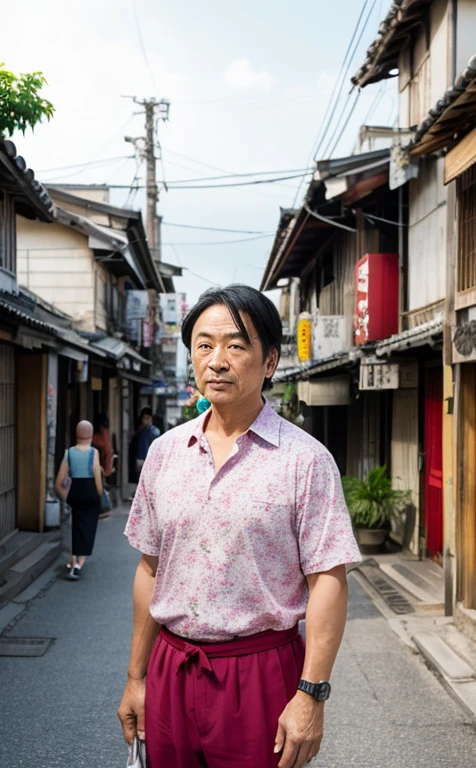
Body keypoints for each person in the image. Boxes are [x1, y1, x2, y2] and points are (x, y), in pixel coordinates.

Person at [118, 285, 361, 768]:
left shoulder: (305, 460)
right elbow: (150, 568)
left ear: (269, 361)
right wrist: (136, 677)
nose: (217, 361)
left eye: (235, 345)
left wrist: (311, 693)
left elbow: (328, 580)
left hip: (261, 674)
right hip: (171, 669)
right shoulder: (165, 453)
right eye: (204, 346)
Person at [55, 420, 103, 580]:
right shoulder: (93, 453)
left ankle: (74, 561)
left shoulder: (68, 453)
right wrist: (99, 493)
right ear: (91, 435)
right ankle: (79, 563)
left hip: (75, 491)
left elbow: (59, 482)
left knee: (76, 526)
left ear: (76, 434)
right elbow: (97, 476)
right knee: (88, 527)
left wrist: (67, 497)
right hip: (90, 492)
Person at [128, 407, 160, 488]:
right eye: (144, 418)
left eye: (147, 418)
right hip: (140, 459)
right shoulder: (140, 430)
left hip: (149, 460)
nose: (146, 420)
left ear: (151, 418)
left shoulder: (153, 430)